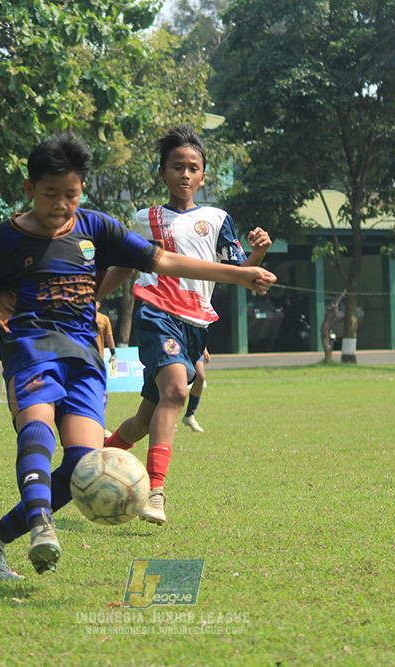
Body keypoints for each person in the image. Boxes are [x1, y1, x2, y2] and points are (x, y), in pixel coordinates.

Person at [0, 134, 276, 580]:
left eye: (70, 195)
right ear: (30, 189)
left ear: (81, 190)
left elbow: (163, 262)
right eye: (51, 194)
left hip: (84, 357)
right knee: (37, 433)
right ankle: (40, 526)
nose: (61, 205)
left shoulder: (96, 228)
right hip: (29, 349)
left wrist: (239, 275)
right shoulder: (4, 240)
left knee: (82, 463)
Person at [100, 125, 272, 525]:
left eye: (193, 168)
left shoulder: (217, 218)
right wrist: (88, 300)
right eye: (176, 167)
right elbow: (126, 265)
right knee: (178, 389)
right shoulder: (145, 219)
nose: (184, 174)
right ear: (162, 174)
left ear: (203, 176)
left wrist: (258, 255)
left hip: (195, 325)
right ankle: (155, 492)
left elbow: (237, 274)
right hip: (156, 313)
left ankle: (92, 465)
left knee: (145, 420)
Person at [95, 301, 117, 437]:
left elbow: (109, 336)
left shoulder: (104, 319)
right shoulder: (80, 315)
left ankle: (99, 424)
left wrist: (113, 353)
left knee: (102, 392)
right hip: (83, 359)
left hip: (98, 361)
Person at [181, 349, 209, 432]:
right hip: (177, 344)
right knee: (175, 380)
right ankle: (171, 420)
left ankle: (189, 416)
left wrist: (204, 348)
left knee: (200, 377)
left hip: (193, 345)